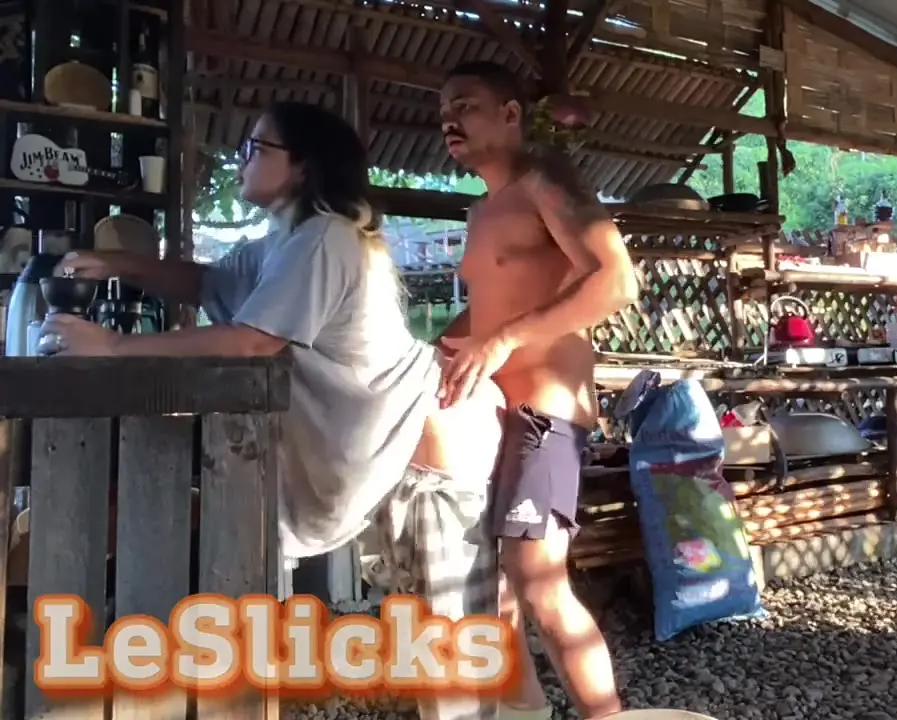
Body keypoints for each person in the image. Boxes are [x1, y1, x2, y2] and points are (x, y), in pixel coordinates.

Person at [42, 101, 507, 720]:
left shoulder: (327, 237)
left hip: (428, 449)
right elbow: (203, 283)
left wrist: (113, 347)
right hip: (388, 451)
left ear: (303, 166)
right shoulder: (282, 243)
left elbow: (254, 340)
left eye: (256, 148)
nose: (241, 159)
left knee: (450, 659)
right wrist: (117, 264)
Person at [433, 61, 638, 720]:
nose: (449, 120)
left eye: (465, 105)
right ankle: (523, 713)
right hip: (490, 411)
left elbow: (615, 280)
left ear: (511, 114)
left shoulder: (545, 178)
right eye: (444, 111)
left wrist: (503, 340)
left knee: (539, 581)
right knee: (494, 587)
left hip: (544, 411)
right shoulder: (482, 209)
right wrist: (433, 355)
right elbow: (487, 309)